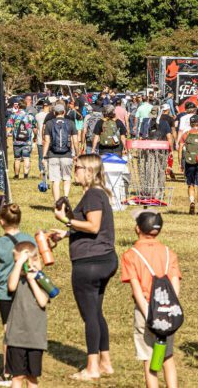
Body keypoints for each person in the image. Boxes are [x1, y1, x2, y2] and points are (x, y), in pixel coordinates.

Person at [47, 155, 118, 381]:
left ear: (89, 170)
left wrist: (66, 221)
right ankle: (105, 363)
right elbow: (90, 226)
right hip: (103, 260)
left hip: (90, 263)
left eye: (77, 167)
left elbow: (94, 226)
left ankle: (92, 368)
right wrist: (65, 233)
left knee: (90, 316)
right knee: (96, 313)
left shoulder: (94, 194)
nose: (73, 171)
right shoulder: (96, 194)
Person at [120, 212, 181, 388]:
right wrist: (170, 308)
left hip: (145, 310)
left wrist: (149, 314)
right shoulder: (169, 253)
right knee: (167, 356)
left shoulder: (131, 255)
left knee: (148, 357)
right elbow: (175, 285)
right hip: (168, 311)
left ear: (137, 229)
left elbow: (137, 289)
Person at [0, 203, 35, 386]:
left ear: (1, 222)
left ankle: (8, 372)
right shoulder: (29, 239)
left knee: (8, 331)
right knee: (25, 328)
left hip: (6, 292)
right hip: (26, 290)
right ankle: (28, 367)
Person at [4, 241, 49, 388]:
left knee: (32, 378)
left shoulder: (43, 280)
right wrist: (18, 265)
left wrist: (32, 281)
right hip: (16, 336)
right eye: (16, 262)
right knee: (17, 377)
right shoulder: (17, 280)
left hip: (35, 337)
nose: (18, 264)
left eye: (20, 261)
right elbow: (11, 286)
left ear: (35, 260)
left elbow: (42, 301)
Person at [42, 103, 78, 203]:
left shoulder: (49, 123)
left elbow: (47, 141)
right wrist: (77, 154)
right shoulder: (70, 123)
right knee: (66, 177)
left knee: (55, 180)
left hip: (53, 154)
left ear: (54, 113)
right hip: (66, 154)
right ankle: (65, 197)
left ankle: (57, 202)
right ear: (64, 112)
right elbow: (75, 140)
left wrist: (44, 156)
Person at [7, 100, 36, 180]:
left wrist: (6, 136)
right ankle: (25, 175)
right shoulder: (30, 116)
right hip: (27, 141)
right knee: (26, 158)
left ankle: (16, 175)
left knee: (17, 159)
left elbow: (8, 128)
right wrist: (35, 137)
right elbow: (34, 128)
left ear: (18, 106)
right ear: (26, 106)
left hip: (16, 141)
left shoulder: (13, 116)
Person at [33, 100, 50, 178]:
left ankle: (41, 172)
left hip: (40, 139)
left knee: (41, 157)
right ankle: (49, 171)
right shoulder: (51, 115)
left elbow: (35, 128)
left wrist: (35, 137)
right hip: (49, 140)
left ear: (43, 106)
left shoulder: (37, 115)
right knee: (49, 157)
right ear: (49, 106)